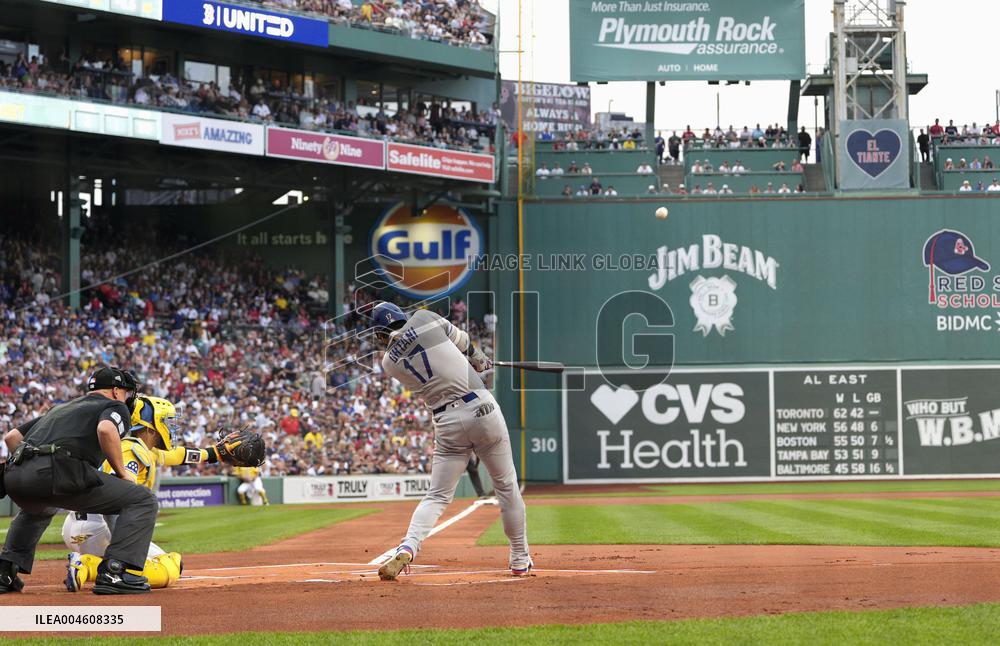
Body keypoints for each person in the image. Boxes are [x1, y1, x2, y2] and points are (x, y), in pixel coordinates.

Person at [369, 303, 530, 580]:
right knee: (506, 487)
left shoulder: (388, 363)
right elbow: (463, 342)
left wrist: (471, 361)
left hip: (446, 422)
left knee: (437, 496)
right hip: (480, 407)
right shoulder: (424, 317)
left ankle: (408, 545)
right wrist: (478, 359)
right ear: (400, 317)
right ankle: (519, 558)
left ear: (382, 332)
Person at [0, 367, 159, 595]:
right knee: (143, 499)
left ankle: (4, 571)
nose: (128, 397)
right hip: (56, 469)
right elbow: (106, 429)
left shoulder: (62, 407)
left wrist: (32, 470)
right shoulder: (115, 406)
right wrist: (123, 473)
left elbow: (11, 437)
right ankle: (115, 572)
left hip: (14, 474)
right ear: (115, 391)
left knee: (41, 506)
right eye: (126, 392)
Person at [63, 395, 216, 592]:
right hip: (99, 528)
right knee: (170, 568)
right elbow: (115, 499)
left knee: (166, 562)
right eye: (167, 421)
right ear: (151, 428)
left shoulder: (136, 446)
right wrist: (122, 547)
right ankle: (89, 566)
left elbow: (177, 454)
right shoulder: (132, 451)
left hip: (82, 523)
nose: (171, 428)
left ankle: (92, 564)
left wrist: (215, 453)